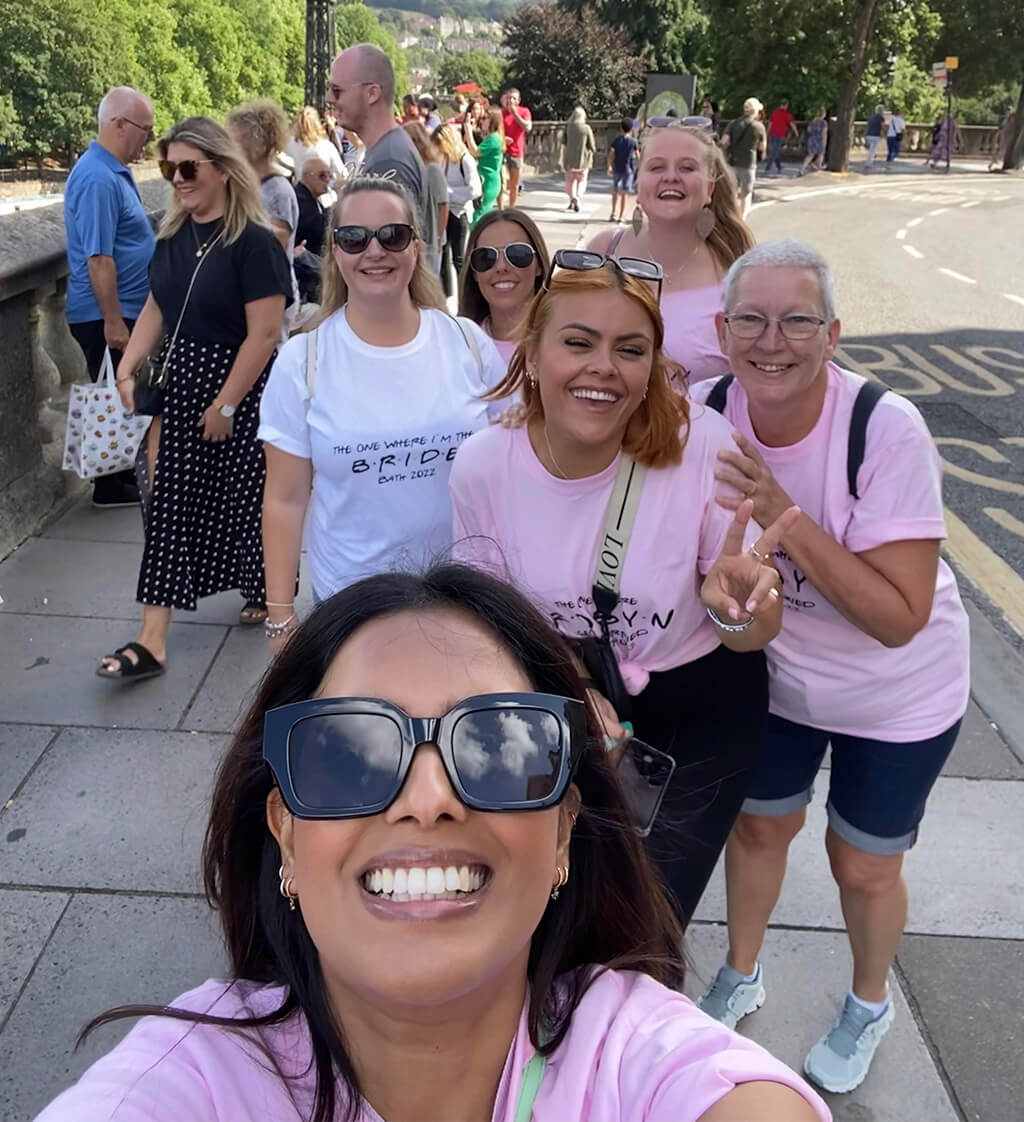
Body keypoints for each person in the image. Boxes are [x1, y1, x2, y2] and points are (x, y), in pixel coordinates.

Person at [40, 565, 832, 1122]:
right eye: (348, 753)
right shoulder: (193, 1077)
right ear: (283, 836)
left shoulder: (642, 1061)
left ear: (563, 833)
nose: (429, 800)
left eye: (502, 743)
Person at [690, 239, 969, 1095]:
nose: (771, 341)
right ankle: (743, 970)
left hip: (900, 694)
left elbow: (898, 618)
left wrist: (787, 514)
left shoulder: (884, 429)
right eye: (751, 320)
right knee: (761, 827)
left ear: (834, 332)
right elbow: (703, 567)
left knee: (863, 864)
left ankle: (869, 1000)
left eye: (797, 320)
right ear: (722, 329)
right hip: (777, 679)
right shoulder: (702, 412)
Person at [450, 253, 799, 925]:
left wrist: (741, 607)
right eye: (578, 342)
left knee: (648, 915)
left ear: (651, 368)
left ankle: (631, 1025)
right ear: (534, 351)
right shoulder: (483, 468)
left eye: (630, 349)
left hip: (699, 704)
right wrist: (569, 691)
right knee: (541, 902)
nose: (603, 366)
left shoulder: (703, 448)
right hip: (552, 690)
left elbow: (751, 629)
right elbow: (483, 626)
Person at [258, 177, 507, 625]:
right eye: (353, 238)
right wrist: (280, 620)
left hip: (467, 596)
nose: (374, 251)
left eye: (392, 235)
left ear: (416, 246)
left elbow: (516, 472)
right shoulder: (303, 361)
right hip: (351, 605)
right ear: (335, 251)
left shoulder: (468, 343)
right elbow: (284, 499)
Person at [95, 117, 291, 681]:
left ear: (224, 170)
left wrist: (226, 404)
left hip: (242, 387)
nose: (176, 179)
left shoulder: (255, 244)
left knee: (247, 499)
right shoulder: (173, 234)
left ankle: (263, 586)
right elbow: (158, 304)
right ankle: (151, 640)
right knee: (168, 505)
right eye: (167, 168)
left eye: (187, 167)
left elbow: (265, 334)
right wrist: (127, 367)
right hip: (181, 385)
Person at [587, 123, 755, 386]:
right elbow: (556, 343)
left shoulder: (740, 273)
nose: (671, 177)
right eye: (656, 167)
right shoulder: (603, 251)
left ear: (709, 189)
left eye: (687, 168)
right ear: (639, 182)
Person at [64, 86, 156, 508]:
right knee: (115, 394)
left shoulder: (111, 170)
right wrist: (114, 320)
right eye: (145, 131)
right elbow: (98, 258)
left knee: (120, 396)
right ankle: (110, 483)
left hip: (123, 308)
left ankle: (117, 480)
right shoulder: (99, 177)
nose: (147, 141)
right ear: (119, 125)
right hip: (109, 312)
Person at [226, 100, 300, 341]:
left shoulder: (278, 190)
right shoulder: (243, 185)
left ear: (255, 144)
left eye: (234, 142)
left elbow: (274, 242)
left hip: (270, 296)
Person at [327, 45, 426, 219]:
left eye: (337, 91)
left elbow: (385, 244)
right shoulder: (387, 150)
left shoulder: (389, 161)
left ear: (372, 94)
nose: (329, 98)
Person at [459, 207, 551, 365]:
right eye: (486, 257)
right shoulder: (457, 346)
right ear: (473, 272)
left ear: (539, 266)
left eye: (517, 254)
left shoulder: (562, 343)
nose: (501, 267)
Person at [435, 123, 481, 297]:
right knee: (443, 253)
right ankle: (446, 295)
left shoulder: (465, 160)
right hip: (445, 210)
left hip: (460, 212)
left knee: (459, 258)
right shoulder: (443, 159)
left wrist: (449, 193)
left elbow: (475, 190)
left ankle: (466, 295)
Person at [403, 119, 448, 277]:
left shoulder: (432, 169)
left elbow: (443, 205)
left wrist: (437, 236)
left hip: (430, 239)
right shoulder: (409, 169)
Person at [292, 157, 332, 304]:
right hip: (303, 274)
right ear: (307, 176)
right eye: (322, 175)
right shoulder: (300, 199)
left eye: (330, 175)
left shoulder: (311, 198)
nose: (327, 180)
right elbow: (319, 229)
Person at [721, 98, 766, 219]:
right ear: (756, 111)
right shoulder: (759, 126)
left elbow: (724, 142)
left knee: (732, 192)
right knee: (746, 195)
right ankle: (742, 220)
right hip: (748, 164)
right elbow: (762, 148)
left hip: (732, 162)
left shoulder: (734, 123)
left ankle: (731, 218)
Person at [284, 105, 345, 186]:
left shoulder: (290, 145)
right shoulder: (325, 146)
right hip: (324, 193)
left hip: (299, 192)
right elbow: (341, 173)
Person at [500, 87, 532, 207]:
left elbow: (527, 127)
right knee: (501, 182)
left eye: (513, 98)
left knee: (514, 184)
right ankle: (500, 207)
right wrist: (503, 140)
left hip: (516, 152)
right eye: (508, 97)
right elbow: (494, 131)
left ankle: (511, 207)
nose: (510, 100)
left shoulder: (524, 111)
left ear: (518, 101)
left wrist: (515, 114)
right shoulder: (501, 113)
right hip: (502, 150)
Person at [561, 105, 596, 213]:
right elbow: (592, 145)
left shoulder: (568, 127)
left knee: (570, 181)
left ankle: (572, 199)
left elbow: (563, 141)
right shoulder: (586, 128)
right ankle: (577, 198)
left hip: (569, 160)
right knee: (582, 181)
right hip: (583, 160)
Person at [473, 107, 504, 225]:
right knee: (482, 213)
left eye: (485, 118)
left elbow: (475, 152)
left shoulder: (493, 138)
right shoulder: (493, 137)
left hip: (489, 180)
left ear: (493, 120)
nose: (482, 121)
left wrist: (467, 129)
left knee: (480, 215)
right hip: (489, 179)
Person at [607, 117, 638, 223]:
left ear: (621, 128)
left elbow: (611, 153)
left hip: (617, 168)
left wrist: (609, 166)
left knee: (615, 189)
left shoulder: (616, 140)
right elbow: (637, 155)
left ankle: (613, 212)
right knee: (624, 192)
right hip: (628, 169)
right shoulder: (633, 141)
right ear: (631, 129)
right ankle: (621, 215)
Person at [763, 99, 798, 175]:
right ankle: (768, 168)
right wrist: (796, 133)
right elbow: (792, 124)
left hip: (773, 133)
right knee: (775, 151)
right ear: (786, 105)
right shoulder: (786, 114)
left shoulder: (775, 113)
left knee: (776, 150)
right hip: (779, 134)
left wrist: (767, 132)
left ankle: (779, 166)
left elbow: (770, 123)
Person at [800, 109, 828, 175]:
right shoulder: (824, 123)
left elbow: (809, 130)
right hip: (819, 140)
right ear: (823, 114)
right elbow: (824, 134)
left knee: (810, 155)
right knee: (821, 154)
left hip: (812, 139)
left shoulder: (813, 121)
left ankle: (803, 168)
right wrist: (824, 142)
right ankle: (818, 167)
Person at [863, 104, 885, 170]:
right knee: (872, 151)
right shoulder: (881, 118)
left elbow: (867, 127)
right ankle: (868, 164)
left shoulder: (871, 117)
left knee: (871, 150)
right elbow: (883, 127)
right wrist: (883, 134)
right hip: (876, 135)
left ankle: (869, 162)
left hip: (869, 135)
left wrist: (865, 135)